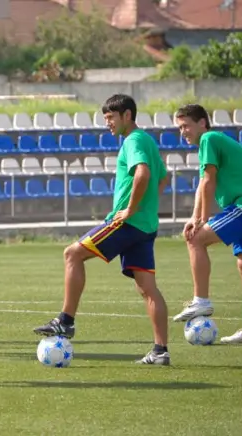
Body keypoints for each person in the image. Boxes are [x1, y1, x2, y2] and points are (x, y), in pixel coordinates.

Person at [32, 94, 171, 365]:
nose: (107, 123)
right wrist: (146, 207)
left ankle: (65, 321)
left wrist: (131, 209)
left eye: (111, 117)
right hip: (144, 226)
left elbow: (143, 173)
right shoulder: (146, 140)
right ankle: (160, 350)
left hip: (127, 223)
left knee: (72, 254)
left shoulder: (134, 140)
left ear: (127, 115)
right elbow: (162, 178)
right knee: (147, 288)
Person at [173, 104, 242, 344]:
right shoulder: (211, 143)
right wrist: (194, 216)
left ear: (202, 123)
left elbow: (209, 180)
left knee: (195, 239)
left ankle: (201, 301)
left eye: (186, 125)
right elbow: (203, 184)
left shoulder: (209, 138)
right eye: (179, 127)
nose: (183, 131)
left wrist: (202, 220)